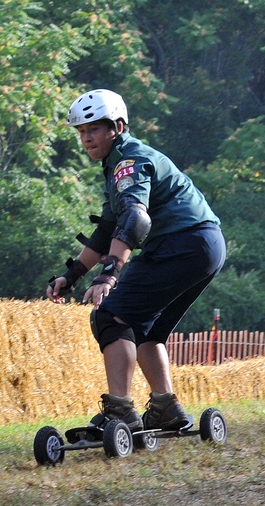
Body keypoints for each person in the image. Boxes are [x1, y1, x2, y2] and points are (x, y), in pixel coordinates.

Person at [46, 89, 226, 430]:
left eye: (93, 129)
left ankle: (120, 410)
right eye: (81, 132)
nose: (86, 138)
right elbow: (109, 229)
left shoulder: (127, 161)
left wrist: (109, 274)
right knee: (144, 330)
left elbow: (135, 220)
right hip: (205, 245)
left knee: (111, 318)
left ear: (117, 126)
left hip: (181, 244)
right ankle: (165, 408)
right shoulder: (119, 162)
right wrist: (72, 275)